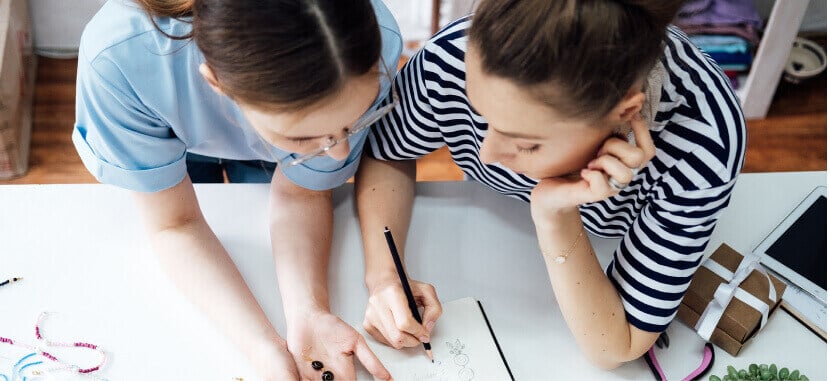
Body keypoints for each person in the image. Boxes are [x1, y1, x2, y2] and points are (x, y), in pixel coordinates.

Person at [356, 0, 746, 369]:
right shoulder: (456, 55)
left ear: (624, 113)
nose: (486, 152)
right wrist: (385, 276)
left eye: (524, 143)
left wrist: (553, 215)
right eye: (479, 112)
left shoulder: (703, 138)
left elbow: (616, 344)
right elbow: (388, 150)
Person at [72, 0, 402, 379]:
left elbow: (304, 192)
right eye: (304, 134)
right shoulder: (119, 58)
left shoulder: (369, 41)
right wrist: (262, 348)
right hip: (162, 111)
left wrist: (308, 311)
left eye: (351, 123)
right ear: (215, 81)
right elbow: (175, 222)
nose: (341, 153)